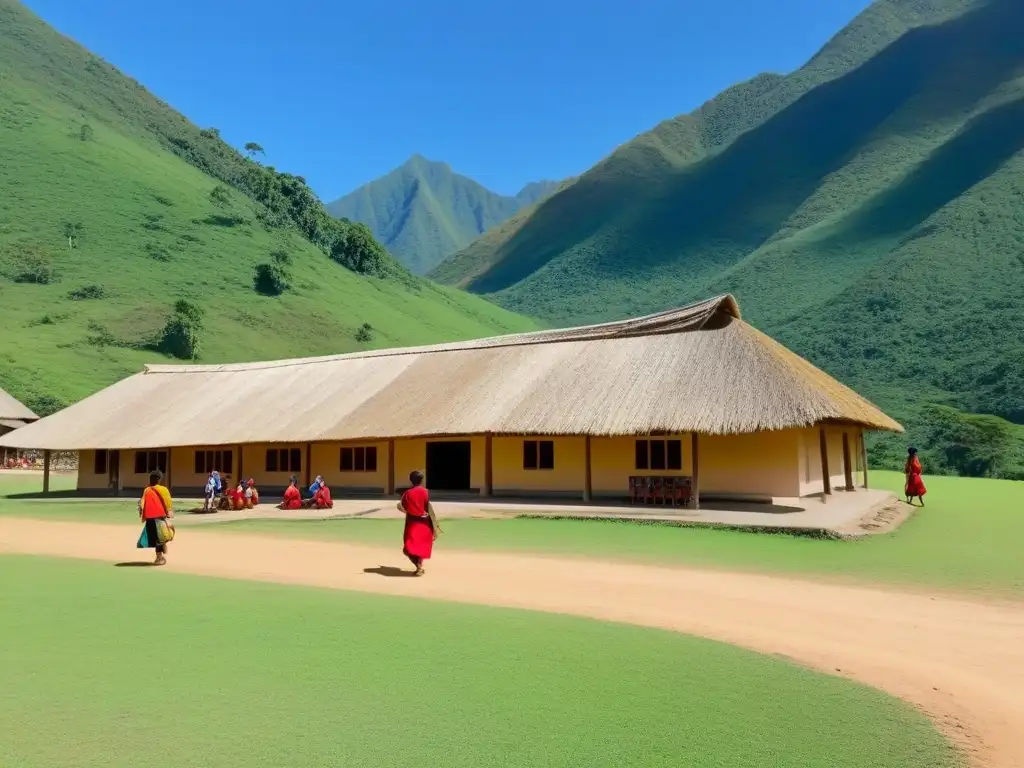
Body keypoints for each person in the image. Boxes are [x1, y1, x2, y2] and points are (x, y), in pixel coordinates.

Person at [397, 470, 441, 576]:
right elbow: (428, 508)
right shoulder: (425, 492)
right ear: (421, 480)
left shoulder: (407, 494)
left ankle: (418, 566)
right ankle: (419, 566)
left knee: (408, 549)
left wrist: (408, 511)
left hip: (412, 524)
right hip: (425, 523)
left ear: (410, 480)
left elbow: (402, 506)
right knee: (420, 547)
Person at [136, 470, 174, 566]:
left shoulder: (147, 490)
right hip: (160, 517)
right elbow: (168, 502)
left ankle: (160, 555)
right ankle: (159, 557)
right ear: (159, 479)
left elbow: (142, 504)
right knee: (161, 537)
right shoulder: (163, 489)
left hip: (150, 518)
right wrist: (169, 513)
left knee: (157, 538)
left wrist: (142, 513)